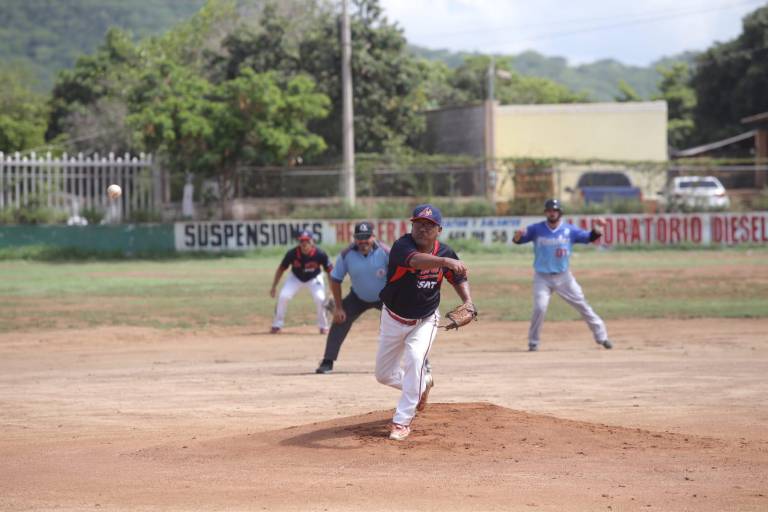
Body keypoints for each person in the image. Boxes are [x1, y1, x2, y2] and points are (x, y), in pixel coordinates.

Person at [376, 204, 473, 441]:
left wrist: (468, 301)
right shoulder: (402, 246)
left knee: (415, 359)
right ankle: (421, 385)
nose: (422, 228)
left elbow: (458, 276)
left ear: (439, 230)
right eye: (418, 223)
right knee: (383, 375)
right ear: (412, 226)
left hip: (425, 319)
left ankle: (401, 421)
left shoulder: (445, 252)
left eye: (429, 225)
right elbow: (416, 262)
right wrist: (445, 262)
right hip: (392, 317)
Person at [513, 198, 612, 352]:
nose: (552, 213)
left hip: (564, 277)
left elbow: (589, 237)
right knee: (540, 308)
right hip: (542, 277)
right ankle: (533, 342)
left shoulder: (569, 230)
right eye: (549, 210)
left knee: (582, 305)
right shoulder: (537, 229)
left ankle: (602, 337)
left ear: (560, 212)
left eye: (555, 210)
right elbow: (518, 241)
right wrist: (518, 235)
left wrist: (598, 226)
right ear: (546, 213)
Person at [315, 221, 389, 374]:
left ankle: (421, 361)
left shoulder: (386, 252)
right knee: (339, 320)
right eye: (359, 238)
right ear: (355, 238)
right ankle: (327, 361)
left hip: (386, 297)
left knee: (404, 323)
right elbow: (336, 279)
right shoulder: (346, 254)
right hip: (358, 297)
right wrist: (338, 308)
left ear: (373, 237)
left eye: (366, 237)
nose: (363, 241)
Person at [269, 230, 333, 334]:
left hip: (314, 278)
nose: (304, 243)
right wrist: (274, 286)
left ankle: (324, 326)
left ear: (312, 241)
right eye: (302, 241)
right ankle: (277, 324)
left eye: (307, 241)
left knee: (320, 298)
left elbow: (330, 272)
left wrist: (332, 291)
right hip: (295, 277)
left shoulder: (320, 254)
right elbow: (281, 269)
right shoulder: (292, 253)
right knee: (283, 296)